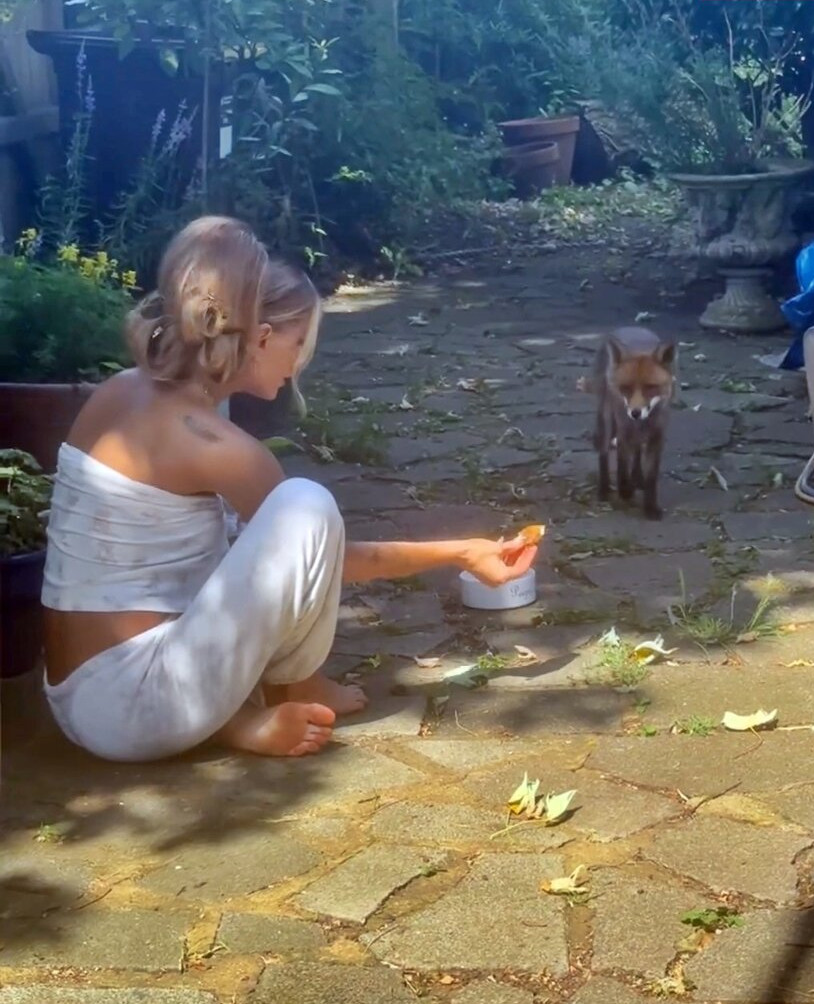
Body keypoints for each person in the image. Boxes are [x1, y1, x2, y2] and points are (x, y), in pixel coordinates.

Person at [41, 216, 538, 763]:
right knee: (306, 505)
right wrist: (462, 552)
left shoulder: (118, 393)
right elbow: (326, 559)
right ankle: (291, 689)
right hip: (135, 708)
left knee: (245, 536)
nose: (298, 364)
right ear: (259, 338)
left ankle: (237, 721)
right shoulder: (215, 443)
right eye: (297, 344)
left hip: (71, 695)